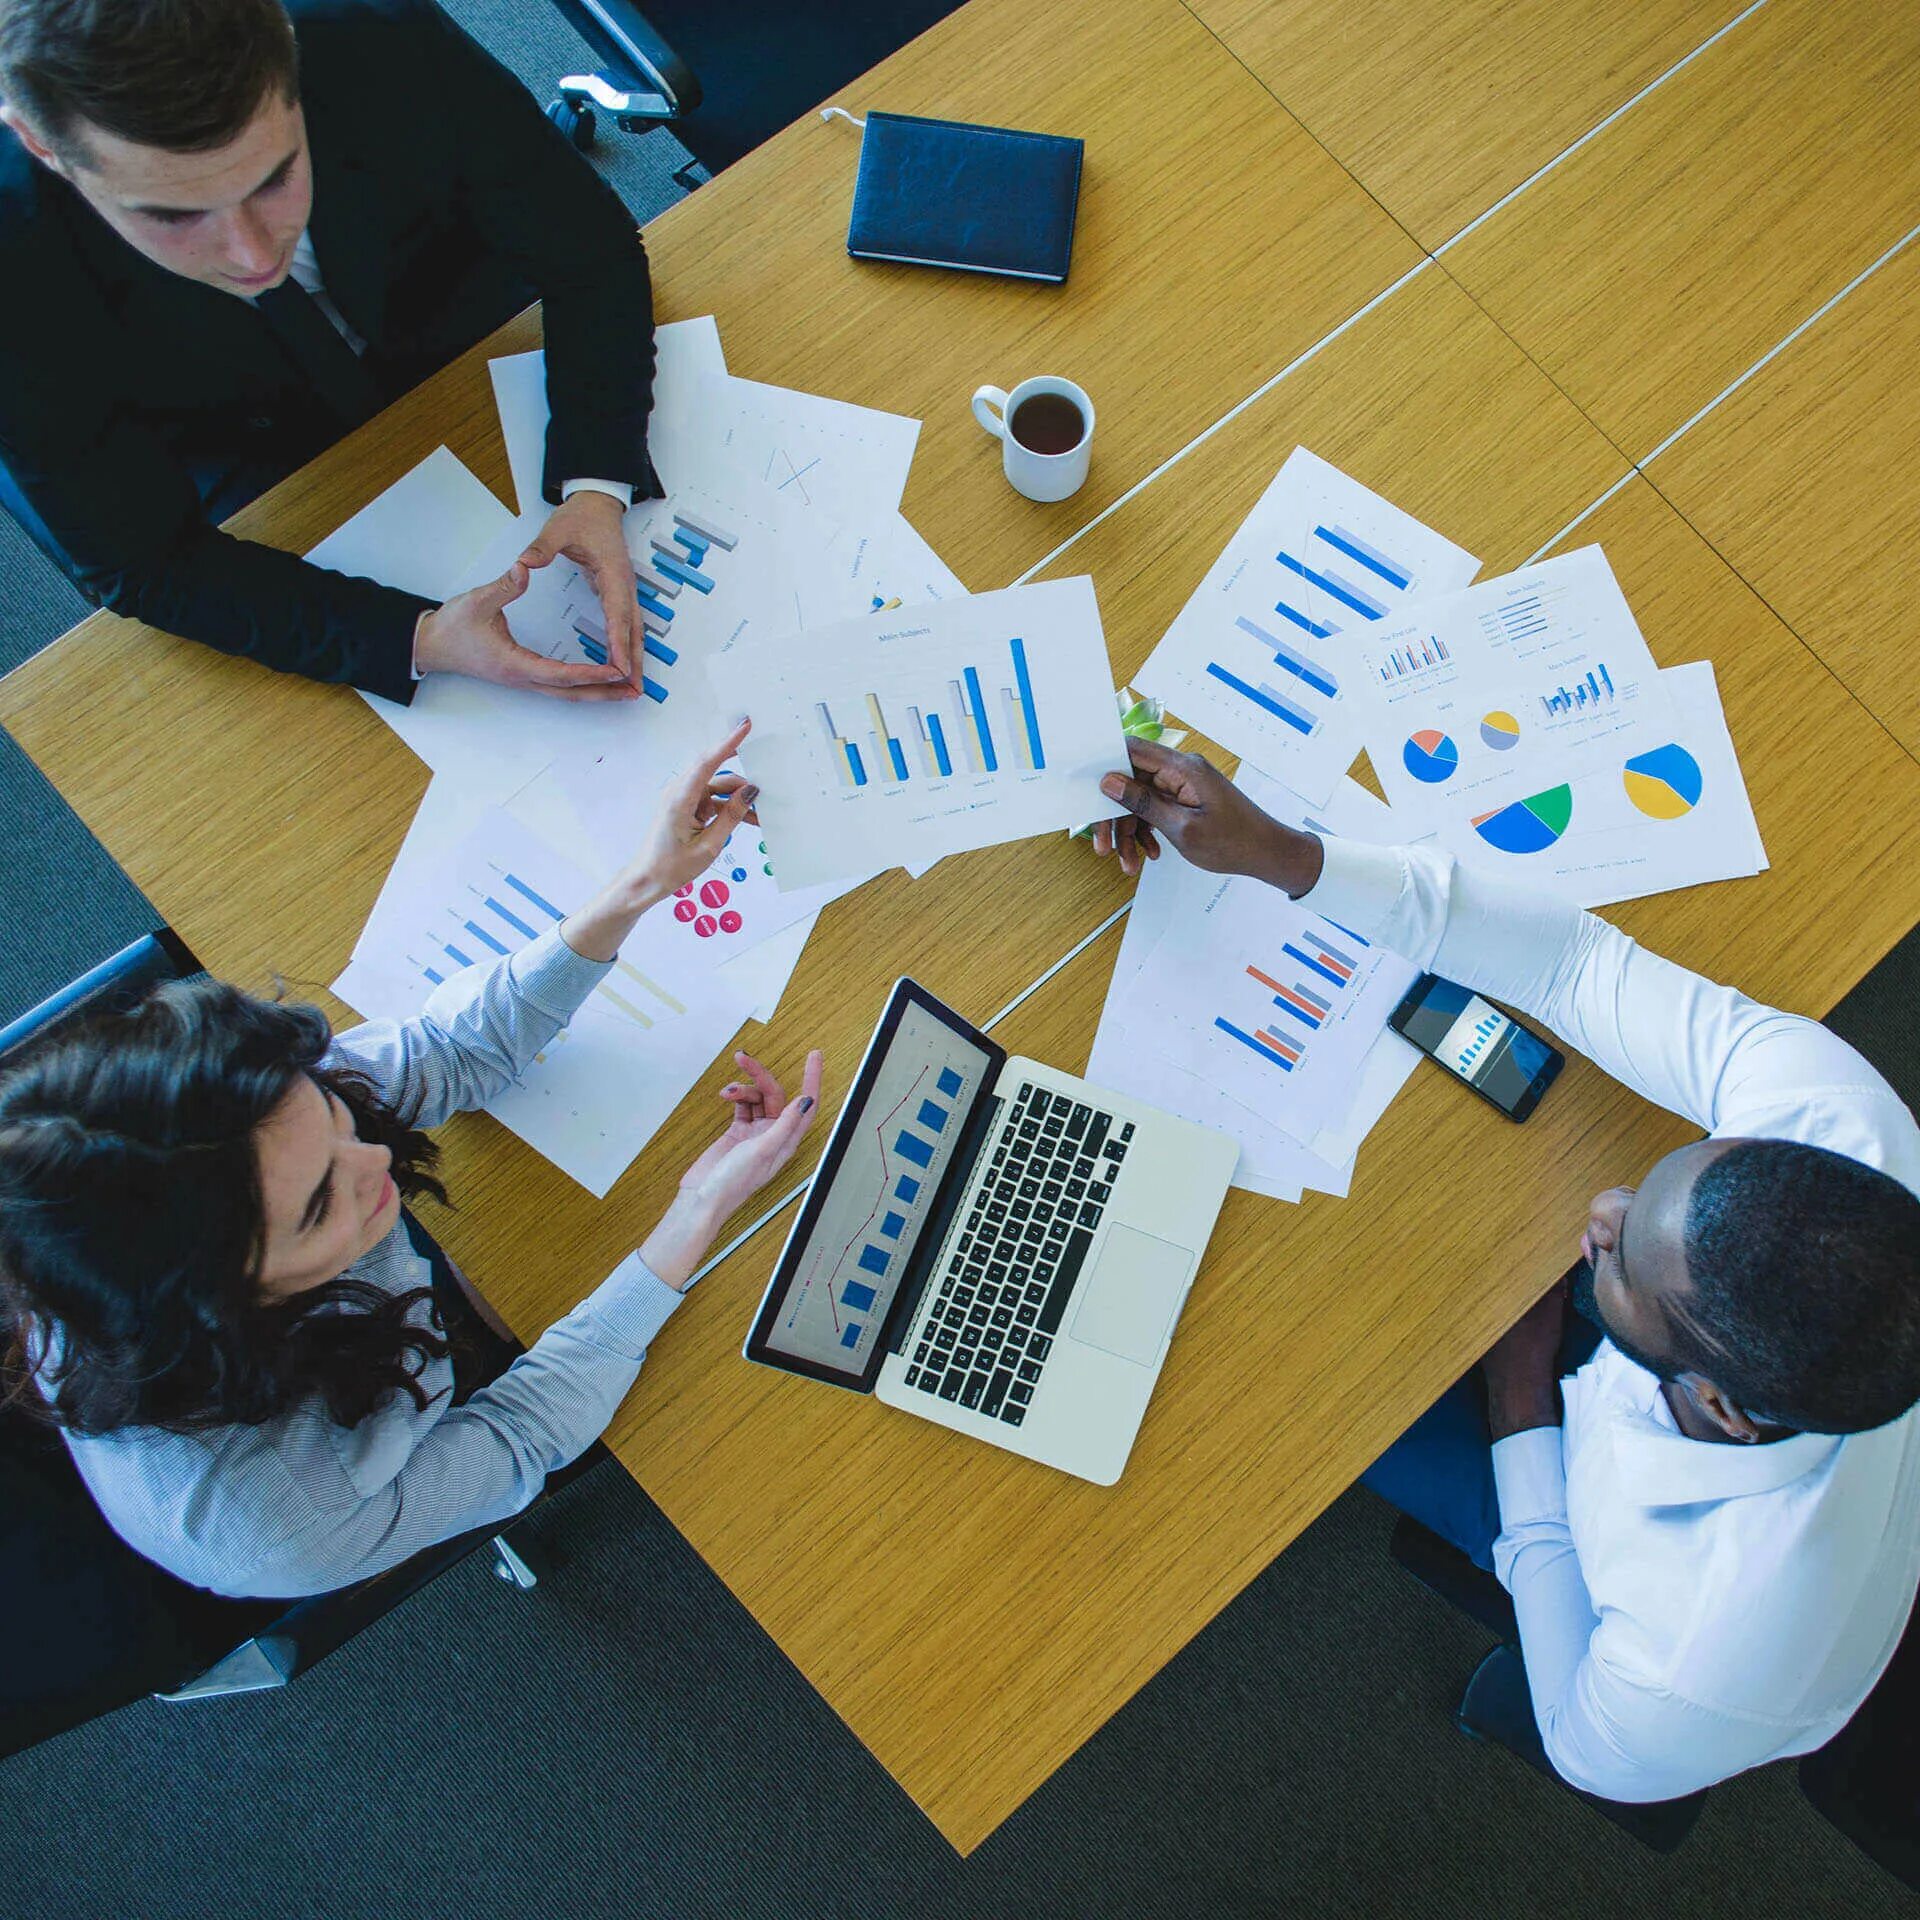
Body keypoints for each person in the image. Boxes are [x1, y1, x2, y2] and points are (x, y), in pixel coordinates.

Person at [1091, 739, 1920, 1805]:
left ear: (1715, 1401)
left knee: (1268, 1392)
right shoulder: (1844, 1133)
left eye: (1619, 1257)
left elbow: (1576, 1728)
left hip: (1650, 1557)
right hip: (1758, 1403)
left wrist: (1519, 1405)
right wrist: (1282, 854)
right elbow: (1574, 967)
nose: (1607, 1209)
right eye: (1660, 1182)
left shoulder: (1686, 1684)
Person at [0, 726, 825, 1600]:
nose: (370, 1157)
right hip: (385, 1412)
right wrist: (694, 1212)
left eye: (327, 1113)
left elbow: (448, 1052)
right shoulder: (281, 1526)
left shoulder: (245, 1125)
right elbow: (518, 1433)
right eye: (321, 1206)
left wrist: (640, 887)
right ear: (219, 1303)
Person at [0, 0, 661, 705]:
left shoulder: (373, 29)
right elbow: (142, 562)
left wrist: (597, 479)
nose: (254, 256)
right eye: (171, 214)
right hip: (237, 443)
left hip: (445, 316)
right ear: (43, 147)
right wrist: (417, 638)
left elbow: (589, 253)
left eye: (274, 177)